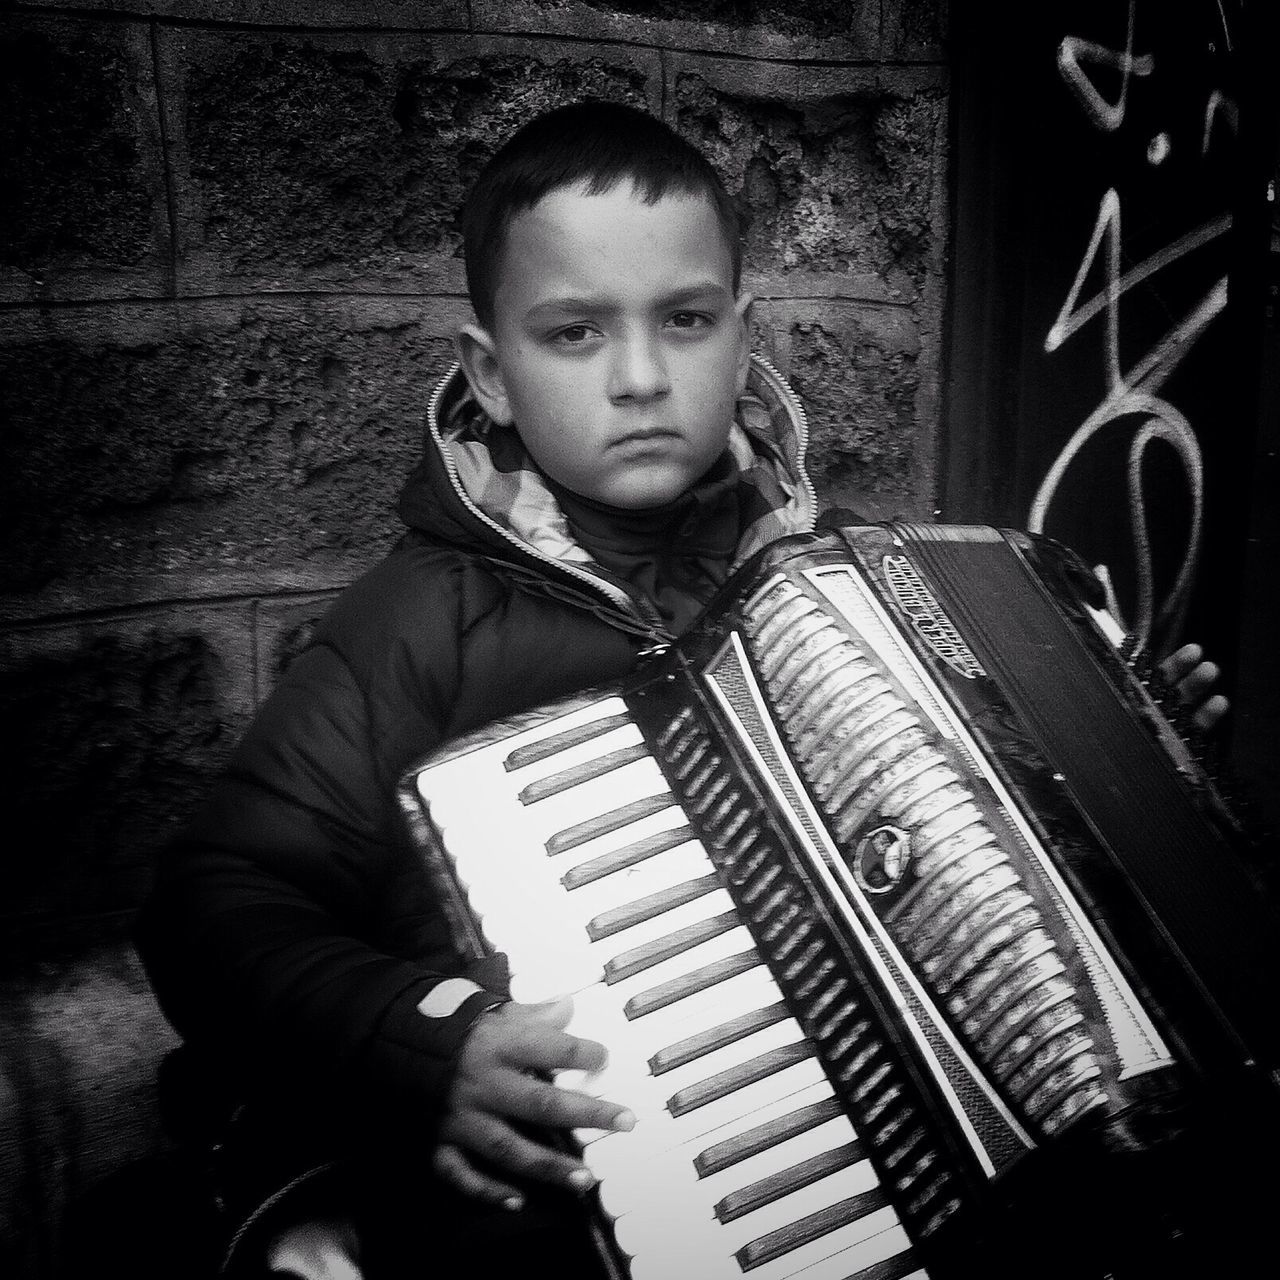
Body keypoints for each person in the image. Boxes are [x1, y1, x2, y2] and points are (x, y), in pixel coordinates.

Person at [135, 100, 1226, 1280]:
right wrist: (424, 1039)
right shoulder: (420, 623)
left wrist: (1119, 758)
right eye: (573, 335)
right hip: (561, 1183)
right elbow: (214, 903)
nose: (642, 377)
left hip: (859, 1139)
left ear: (743, 339)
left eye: (686, 320)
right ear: (488, 376)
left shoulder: (844, 585)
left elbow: (972, 845)